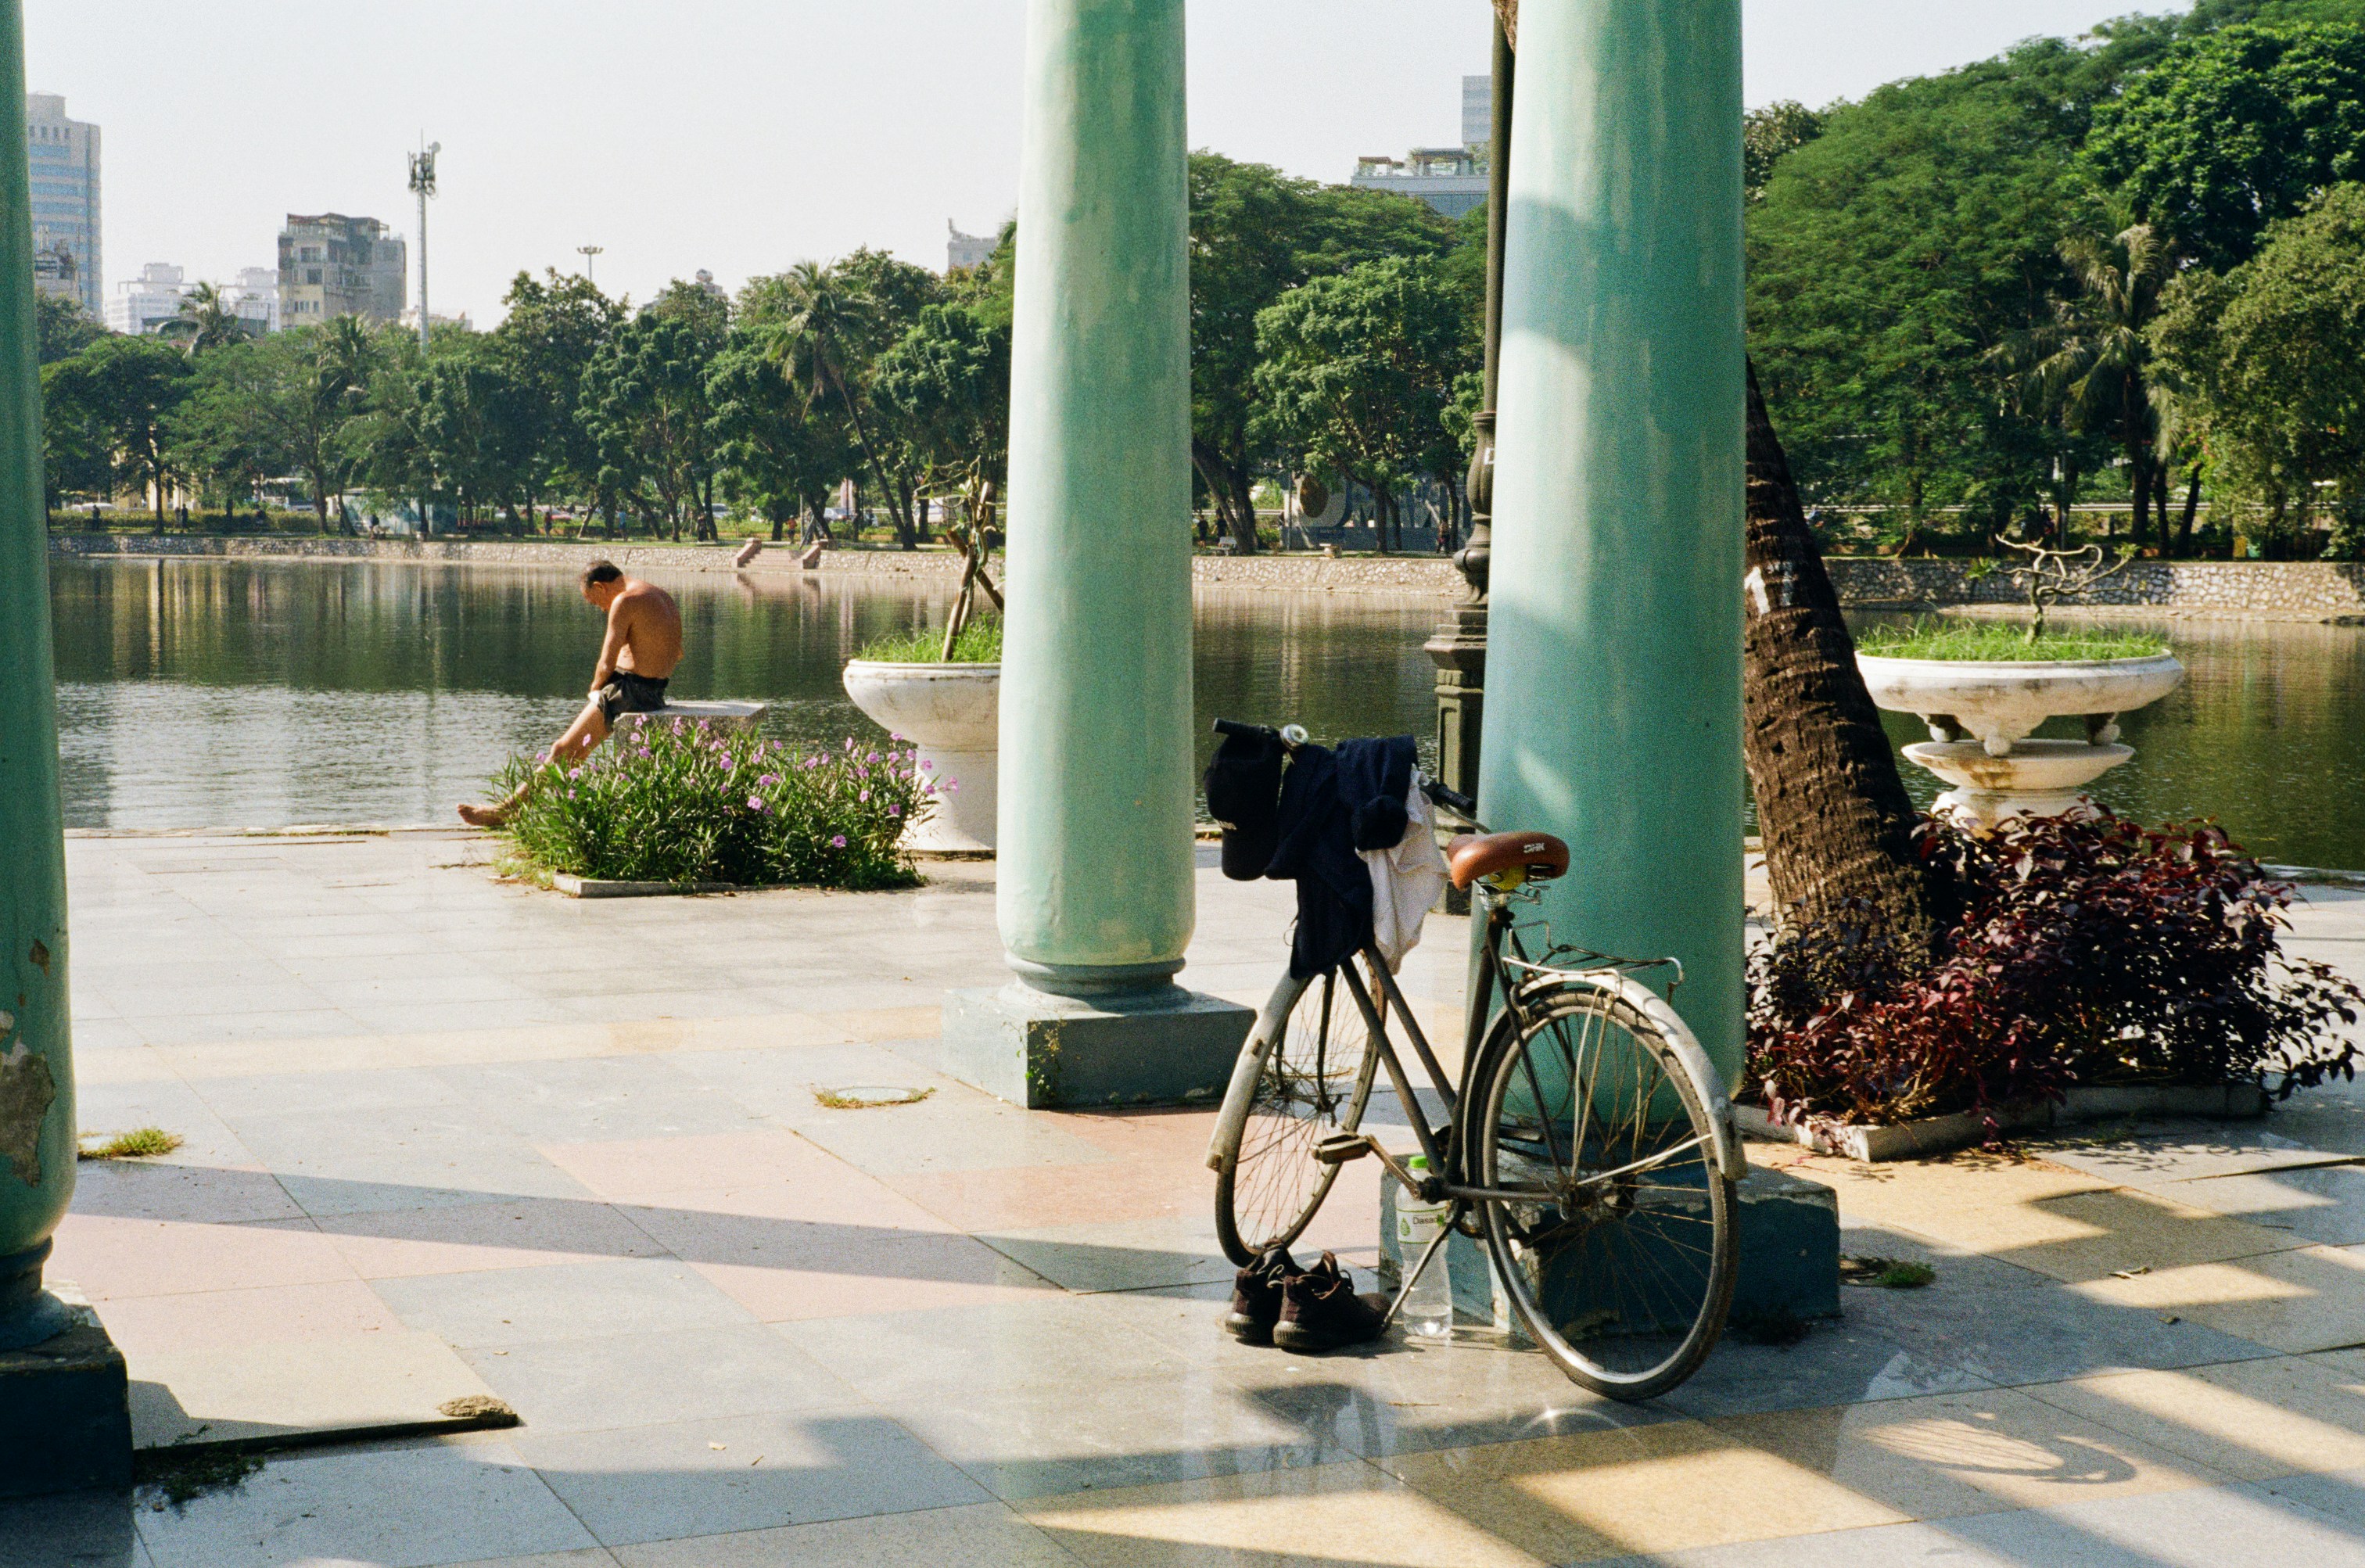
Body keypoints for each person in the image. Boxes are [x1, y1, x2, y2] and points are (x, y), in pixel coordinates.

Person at [458, 561, 683, 827]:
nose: (600, 609)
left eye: (594, 601)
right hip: (655, 692)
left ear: (600, 586)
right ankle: (559, 813)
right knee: (577, 753)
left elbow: (606, 664)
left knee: (562, 749)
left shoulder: (625, 600)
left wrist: (595, 690)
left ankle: (506, 812)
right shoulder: (660, 595)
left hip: (629, 691)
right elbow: (677, 653)